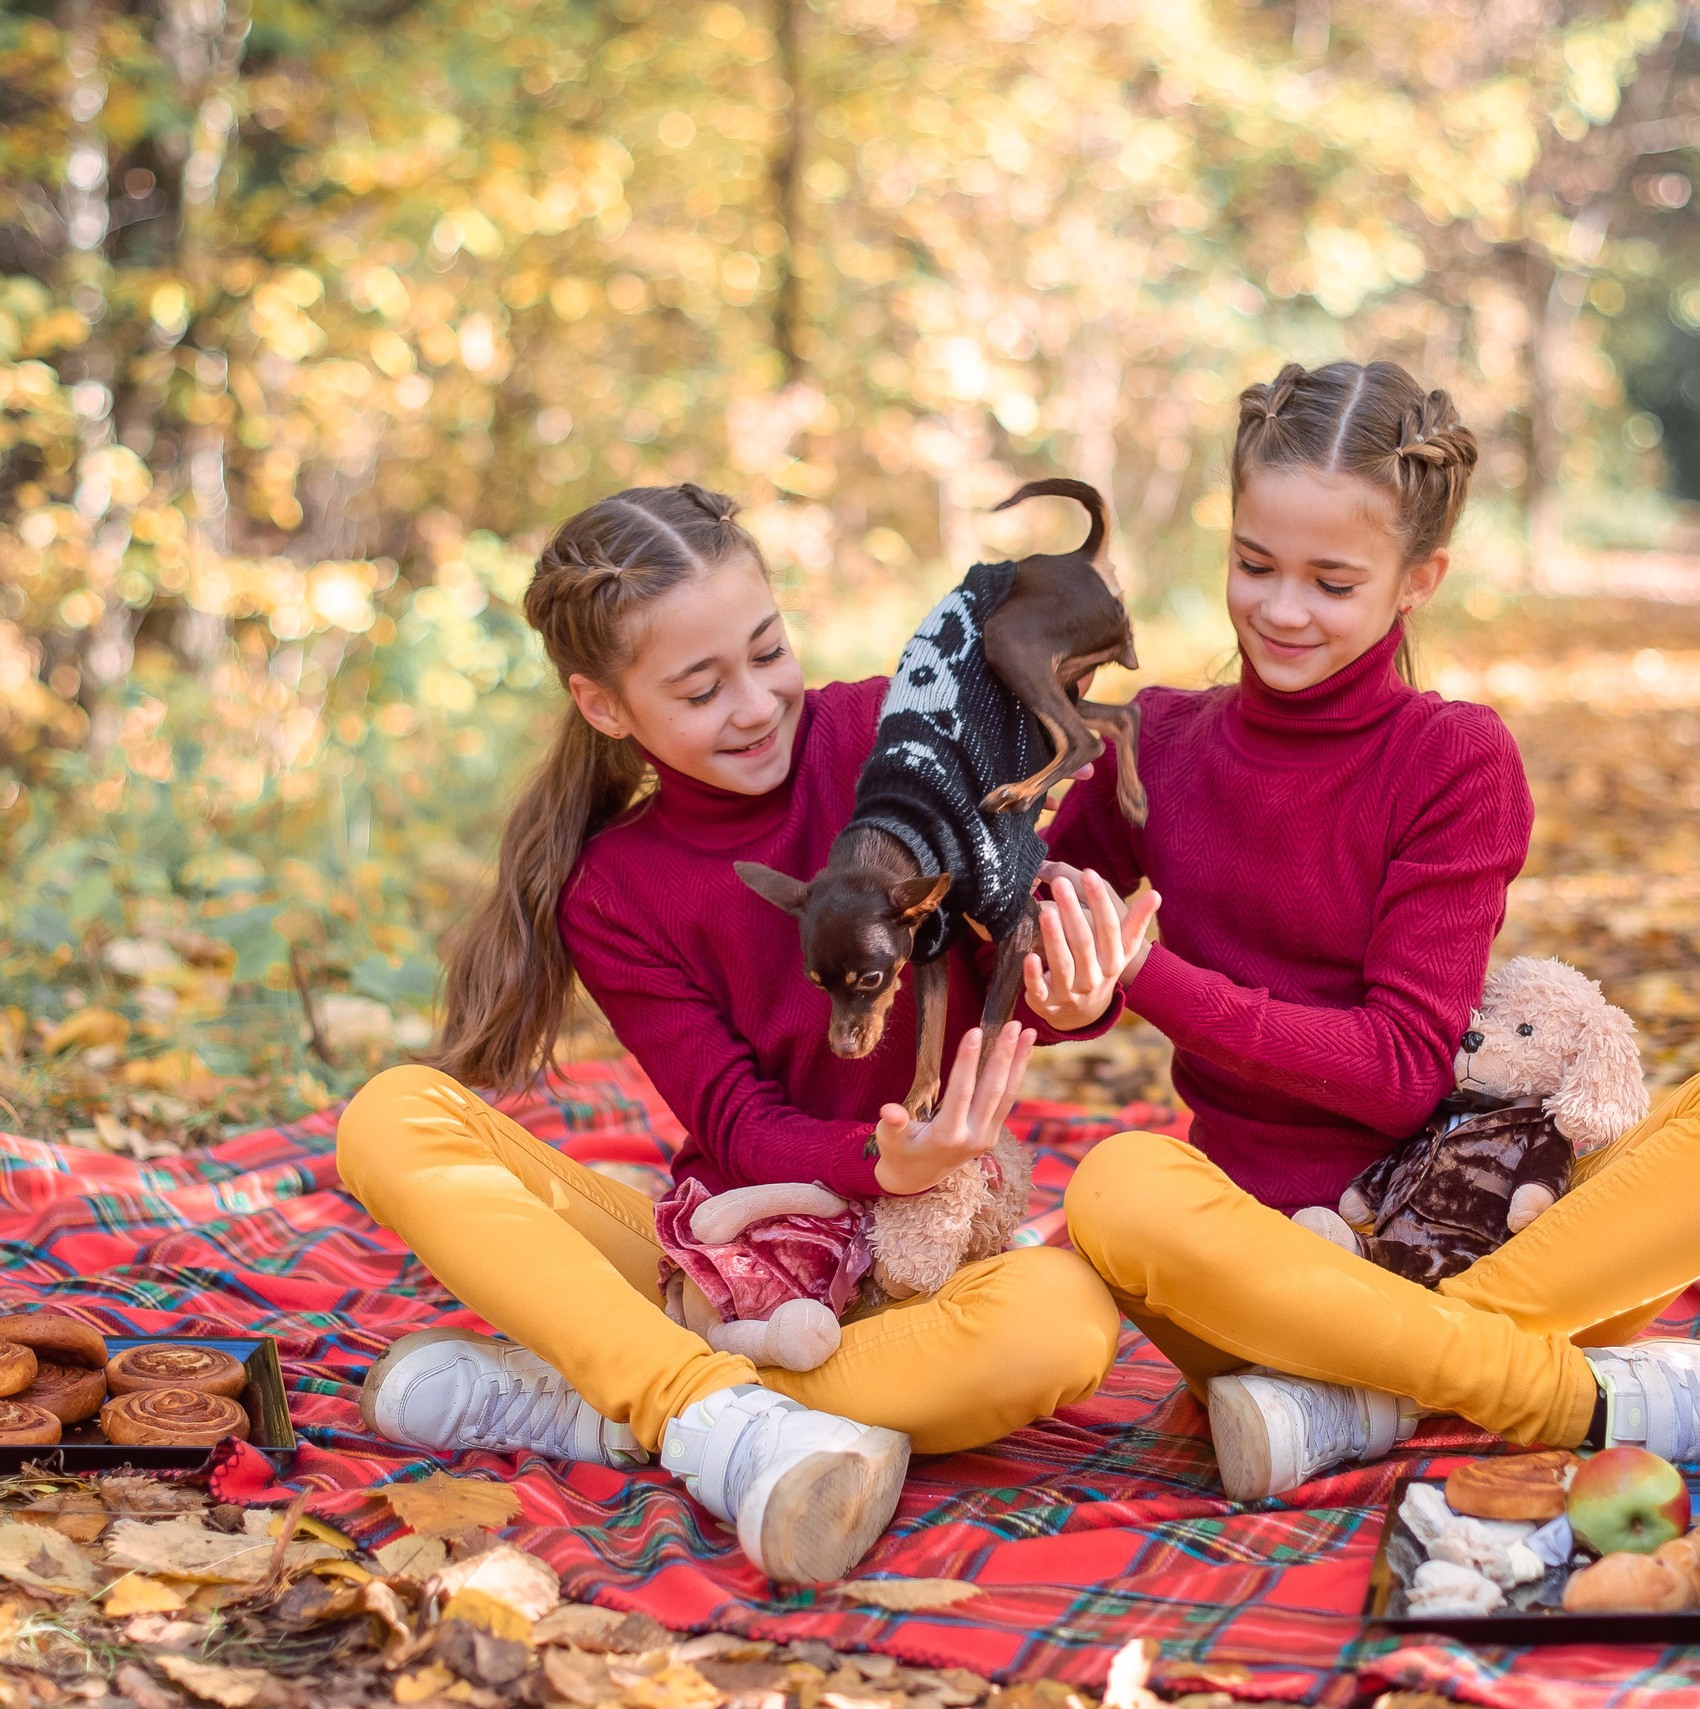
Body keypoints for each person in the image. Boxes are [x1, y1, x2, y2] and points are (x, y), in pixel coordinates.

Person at [1045, 360, 1700, 1500]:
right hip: (1266, 1279)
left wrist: (1152, 978)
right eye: (1253, 564)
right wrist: (1069, 979)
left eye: (1332, 580)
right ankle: (1588, 1397)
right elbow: (1040, 971)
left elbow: (1396, 1074)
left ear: (1417, 577)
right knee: (1118, 1183)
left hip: (1497, 1228)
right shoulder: (1156, 746)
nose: (1281, 609)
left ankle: (1364, 1391)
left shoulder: (1451, 761)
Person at [336, 484, 1144, 1581]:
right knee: (394, 1113)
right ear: (606, 705)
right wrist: (869, 1158)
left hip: (919, 1266)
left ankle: (605, 1400)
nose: (758, 703)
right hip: (727, 1258)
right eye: (700, 686)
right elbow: (735, 1120)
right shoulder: (615, 887)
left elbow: (1002, 939)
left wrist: (1069, 994)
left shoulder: (887, 732)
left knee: (1061, 1323)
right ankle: (710, 1412)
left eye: (768, 651)